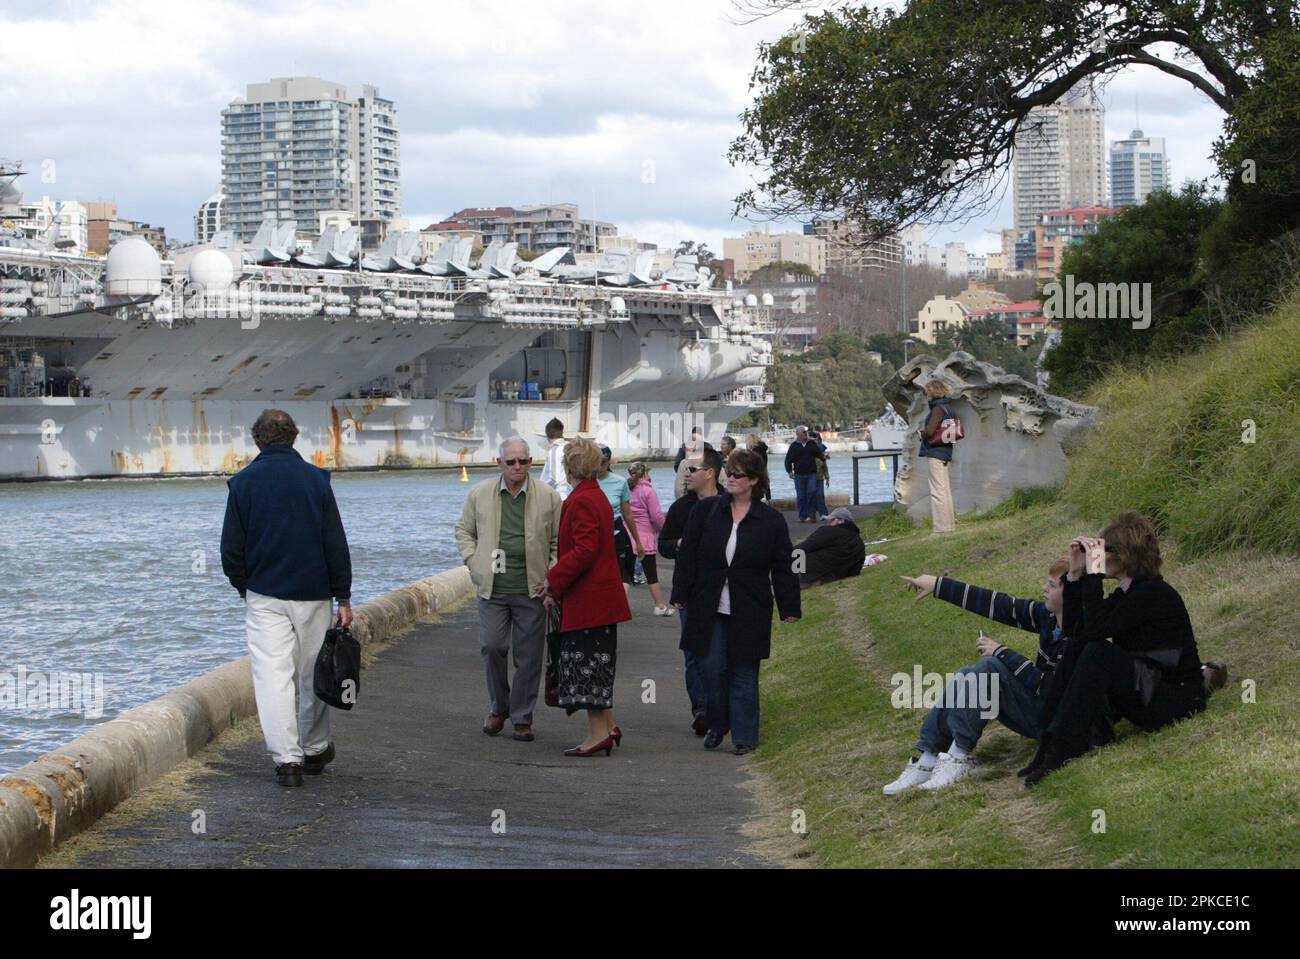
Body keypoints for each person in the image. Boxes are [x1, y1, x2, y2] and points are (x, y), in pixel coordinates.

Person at [220, 409, 352, 788]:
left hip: (265, 593)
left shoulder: (241, 484)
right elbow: (334, 542)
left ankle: (287, 760)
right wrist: (342, 595)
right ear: (294, 436)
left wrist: (246, 587)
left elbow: (231, 549)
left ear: (257, 440)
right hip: (314, 593)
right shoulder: (317, 480)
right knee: (315, 671)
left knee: (272, 677)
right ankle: (314, 747)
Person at [1024, 511, 1206, 787]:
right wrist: (1074, 575)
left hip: (1175, 700)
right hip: (1148, 690)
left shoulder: (1152, 593)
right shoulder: (1128, 592)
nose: (1098, 557)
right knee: (1079, 646)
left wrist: (1093, 576)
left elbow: (1097, 632)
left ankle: (1063, 749)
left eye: (1104, 551)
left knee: (1098, 651)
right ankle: (1048, 745)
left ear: (1124, 556)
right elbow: (1077, 629)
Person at [884, 559, 1072, 794]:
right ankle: (929, 756)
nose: (1044, 588)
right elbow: (999, 605)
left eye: (1052, 585)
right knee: (966, 675)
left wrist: (1002, 652)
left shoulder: (1080, 636)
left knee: (990, 666)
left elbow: (1049, 688)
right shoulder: (1049, 617)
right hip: (1042, 712)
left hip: (1058, 723)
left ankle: (959, 755)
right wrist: (937, 585)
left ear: (1071, 594)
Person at [671, 449, 801, 755]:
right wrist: (680, 593)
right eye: (728, 472)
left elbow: (783, 565)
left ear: (754, 480)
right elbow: (688, 554)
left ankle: (744, 736)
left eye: (737, 474)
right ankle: (718, 723)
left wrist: (790, 606)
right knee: (712, 667)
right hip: (709, 604)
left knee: (744, 670)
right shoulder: (706, 512)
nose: (729, 478)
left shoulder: (770, 521)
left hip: (750, 605)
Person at [454, 437, 563, 743]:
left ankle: (522, 717)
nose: (518, 467)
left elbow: (558, 541)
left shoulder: (549, 496)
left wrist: (551, 577)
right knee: (492, 646)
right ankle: (498, 706)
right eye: (511, 461)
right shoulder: (479, 493)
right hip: (492, 588)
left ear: (531, 462)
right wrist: (473, 561)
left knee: (528, 657)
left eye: (524, 461)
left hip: (532, 588)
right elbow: (464, 530)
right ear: (499, 462)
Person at [542, 438, 634, 756]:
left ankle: (597, 735)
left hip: (589, 602)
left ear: (569, 467)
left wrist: (553, 581)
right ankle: (608, 726)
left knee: (588, 666)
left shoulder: (580, 500)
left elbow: (583, 551)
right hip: (602, 599)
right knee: (601, 663)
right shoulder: (596, 496)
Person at [658, 446, 725, 735]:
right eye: (685, 468)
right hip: (690, 589)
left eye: (692, 469)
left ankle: (720, 706)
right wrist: (679, 545)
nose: (686, 474)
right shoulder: (680, 508)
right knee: (693, 653)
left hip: (724, 589)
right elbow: (664, 544)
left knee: (722, 652)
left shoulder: (729, 502)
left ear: (710, 473)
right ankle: (701, 708)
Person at [595, 445, 644, 596]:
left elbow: (627, 514)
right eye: (595, 461)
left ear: (609, 462)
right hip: (594, 531)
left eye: (602, 461)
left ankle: (616, 608)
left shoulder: (619, 482)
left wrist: (638, 541)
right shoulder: (585, 482)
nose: (599, 466)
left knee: (621, 574)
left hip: (615, 530)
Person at [626, 462, 670, 614]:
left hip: (627, 537)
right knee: (651, 575)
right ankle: (659, 606)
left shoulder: (626, 489)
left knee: (624, 576)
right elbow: (657, 516)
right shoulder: (648, 491)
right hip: (644, 539)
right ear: (644, 474)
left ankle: (618, 608)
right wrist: (665, 531)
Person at [917, 379, 957, 534]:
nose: (927, 394)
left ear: (932, 392)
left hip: (935, 451)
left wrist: (921, 433)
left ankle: (941, 529)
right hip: (946, 451)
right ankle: (949, 525)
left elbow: (931, 431)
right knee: (945, 490)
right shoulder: (948, 408)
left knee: (937, 491)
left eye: (928, 391)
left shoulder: (938, 409)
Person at [796, 506, 865, 587]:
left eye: (832, 520)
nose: (829, 523)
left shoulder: (829, 531)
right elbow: (856, 571)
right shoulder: (859, 542)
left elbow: (804, 547)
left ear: (841, 521)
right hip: (833, 578)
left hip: (810, 575)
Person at [784, 425, 825, 523]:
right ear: (798, 434)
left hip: (811, 474)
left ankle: (811, 515)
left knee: (811, 493)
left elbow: (818, 454)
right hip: (799, 475)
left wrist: (824, 457)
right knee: (801, 496)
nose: (806, 434)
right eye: (804, 432)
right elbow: (788, 460)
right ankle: (803, 516)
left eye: (806, 432)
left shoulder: (811, 444)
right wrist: (789, 471)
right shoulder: (794, 446)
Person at [539, 417, 570, 500]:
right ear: (562, 432)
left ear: (547, 434)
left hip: (558, 497)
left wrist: (540, 490)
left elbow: (554, 479)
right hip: (569, 495)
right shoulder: (569, 447)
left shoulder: (554, 450)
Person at [809, 429, 831, 521]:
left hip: (820, 478)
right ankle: (814, 514)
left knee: (820, 496)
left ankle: (823, 514)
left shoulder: (821, 453)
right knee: (813, 496)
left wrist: (827, 478)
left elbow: (825, 467)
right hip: (811, 477)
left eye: (817, 439)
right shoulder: (810, 451)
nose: (816, 441)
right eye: (814, 439)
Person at [747, 433, 771, 501]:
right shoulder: (763, 449)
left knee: (757, 490)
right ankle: (768, 500)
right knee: (766, 486)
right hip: (764, 470)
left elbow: (753, 462)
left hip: (757, 472)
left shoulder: (755, 451)